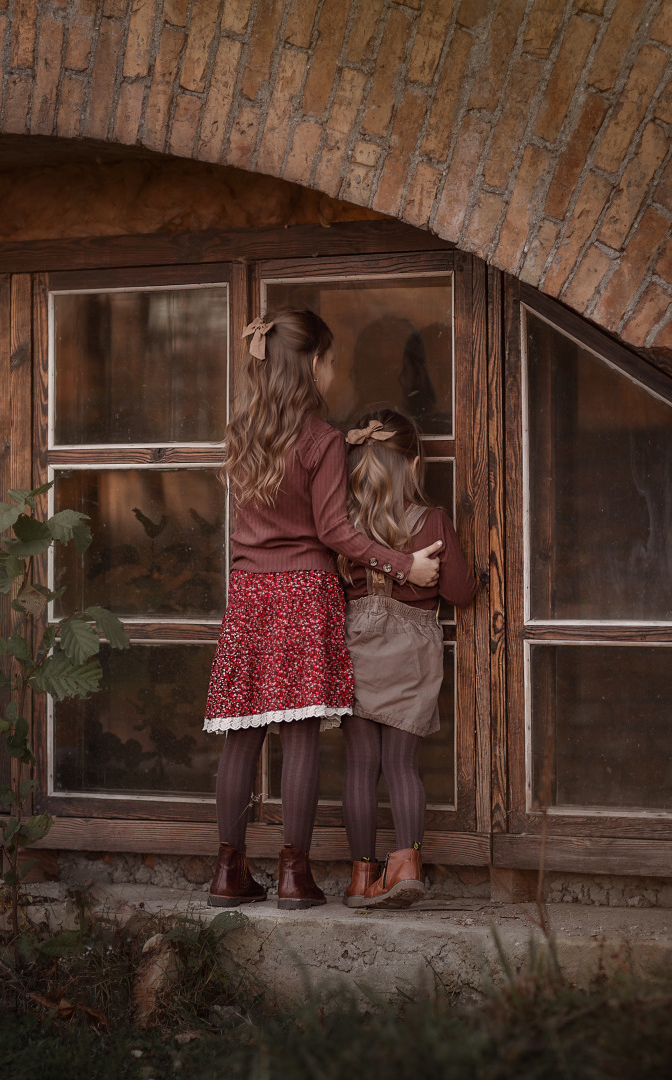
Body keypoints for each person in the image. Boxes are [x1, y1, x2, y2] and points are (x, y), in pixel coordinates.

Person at [204, 311, 444, 910]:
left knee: (242, 738)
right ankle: (294, 877)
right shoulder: (320, 440)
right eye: (331, 360)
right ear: (311, 364)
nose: (334, 371)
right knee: (301, 739)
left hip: (248, 595)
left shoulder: (242, 434)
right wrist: (402, 564)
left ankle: (228, 873)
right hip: (303, 594)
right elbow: (336, 531)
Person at [337, 407, 477, 909]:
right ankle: (405, 866)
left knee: (359, 767)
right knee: (401, 766)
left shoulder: (341, 527)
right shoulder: (431, 520)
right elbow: (460, 592)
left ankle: (359, 879)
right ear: (414, 465)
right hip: (411, 656)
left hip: (354, 650)